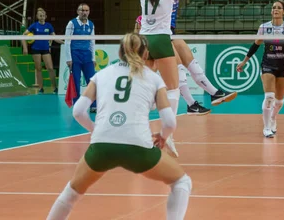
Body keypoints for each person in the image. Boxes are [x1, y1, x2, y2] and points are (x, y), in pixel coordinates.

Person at [46, 33, 191, 220]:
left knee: (72, 192)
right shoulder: (154, 79)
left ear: (119, 52)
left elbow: (78, 111)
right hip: (138, 146)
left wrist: (95, 130)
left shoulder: (101, 75)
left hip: (102, 146)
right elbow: (170, 122)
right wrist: (163, 136)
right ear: (146, 55)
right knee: (181, 182)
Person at [141, 0, 237, 116]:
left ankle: (204, 97)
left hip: (143, 39)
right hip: (160, 38)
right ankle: (171, 125)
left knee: (145, 81)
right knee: (172, 87)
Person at [140, 0, 201, 157]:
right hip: (160, 39)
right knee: (174, 89)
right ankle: (168, 136)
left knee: (144, 88)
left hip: (143, 41)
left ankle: (138, 131)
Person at [236, 0, 284, 138]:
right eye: (274, 8)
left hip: (283, 66)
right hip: (267, 65)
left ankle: (273, 117)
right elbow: (255, 46)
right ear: (271, 11)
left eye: (279, 8)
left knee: (280, 101)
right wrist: (244, 61)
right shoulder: (264, 28)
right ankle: (267, 128)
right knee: (269, 97)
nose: (276, 10)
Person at [22, 8, 63, 94]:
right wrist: (25, 48)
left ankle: (54, 88)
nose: (42, 17)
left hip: (45, 50)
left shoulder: (49, 26)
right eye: (40, 15)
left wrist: (64, 42)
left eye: (43, 15)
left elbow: (54, 37)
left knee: (50, 68)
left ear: (46, 16)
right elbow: (23, 36)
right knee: (39, 68)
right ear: (37, 16)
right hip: (35, 50)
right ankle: (41, 88)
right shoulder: (34, 25)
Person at [65, 3, 96, 110]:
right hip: (75, 55)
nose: (84, 12)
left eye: (86, 10)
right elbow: (67, 41)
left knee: (92, 80)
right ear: (78, 12)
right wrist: (69, 59)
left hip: (87, 55)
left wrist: (93, 58)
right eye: (82, 10)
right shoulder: (71, 23)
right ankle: (77, 105)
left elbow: (92, 42)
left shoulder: (91, 24)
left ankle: (93, 105)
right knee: (76, 81)